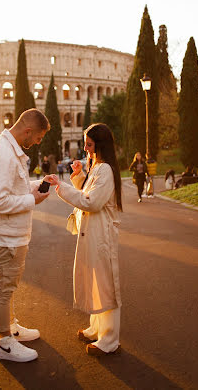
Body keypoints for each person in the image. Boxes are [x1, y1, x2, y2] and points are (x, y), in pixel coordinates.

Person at [0, 108, 56, 363]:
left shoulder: (11, 151)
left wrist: (35, 187)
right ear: (28, 130)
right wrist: (31, 199)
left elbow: (14, 188)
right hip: (5, 236)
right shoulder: (2, 154)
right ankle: (5, 343)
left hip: (12, 234)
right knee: (3, 287)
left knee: (8, 285)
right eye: (37, 138)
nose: (37, 143)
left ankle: (9, 327)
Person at [50, 123, 122, 357]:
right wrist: (80, 175)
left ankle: (109, 339)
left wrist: (60, 187)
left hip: (101, 235)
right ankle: (96, 329)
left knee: (105, 285)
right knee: (94, 281)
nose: (86, 148)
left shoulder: (105, 170)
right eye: (85, 143)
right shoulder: (98, 167)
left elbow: (92, 202)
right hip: (92, 233)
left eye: (89, 144)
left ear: (100, 145)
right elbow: (88, 193)